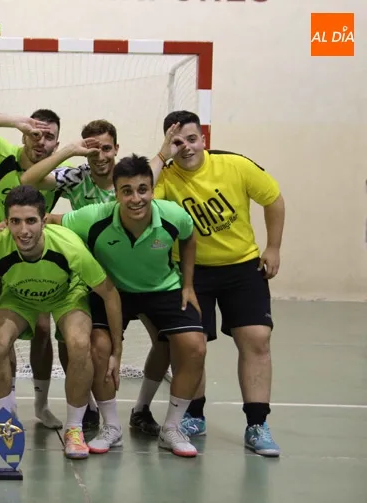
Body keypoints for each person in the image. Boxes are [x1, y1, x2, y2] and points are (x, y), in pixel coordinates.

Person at [142, 110, 285, 457]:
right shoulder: (165, 174)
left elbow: (273, 200)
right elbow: (140, 191)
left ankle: (257, 424)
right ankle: (193, 415)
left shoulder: (235, 165)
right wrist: (163, 154)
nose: (186, 147)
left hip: (242, 267)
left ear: (203, 139)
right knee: (191, 346)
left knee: (257, 339)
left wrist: (274, 247)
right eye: (177, 141)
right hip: (192, 272)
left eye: (192, 139)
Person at [21, 119, 176, 436]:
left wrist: (165, 149)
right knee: (73, 341)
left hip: (135, 277)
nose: (100, 156)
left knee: (165, 340)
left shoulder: (130, 179)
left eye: (106, 148)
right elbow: (29, 179)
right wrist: (69, 152)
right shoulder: (78, 177)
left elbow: (157, 163)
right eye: (92, 150)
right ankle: (88, 406)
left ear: (116, 149)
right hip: (89, 278)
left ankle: (142, 408)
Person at [0, 185, 124, 459]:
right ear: (6, 223)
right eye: (15, 222)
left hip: (66, 295)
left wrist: (117, 351)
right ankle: (6, 425)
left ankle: (74, 429)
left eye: (31, 221)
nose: (23, 230)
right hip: (19, 297)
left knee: (79, 344)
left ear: (44, 221)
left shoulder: (69, 248)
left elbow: (110, 294)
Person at [50, 154, 206, 457]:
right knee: (98, 347)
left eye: (143, 189)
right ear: (116, 193)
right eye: (127, 191)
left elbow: (189, 238)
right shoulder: (94, 217)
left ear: (152, 189)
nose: (136, 198)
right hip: (111, 289)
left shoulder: (174, 215)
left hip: (162, 288)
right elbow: (51, 221)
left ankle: (171, 427)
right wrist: (7, 225)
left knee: (195, 346)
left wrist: (187, 284)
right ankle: (112, 427)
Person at [0, 108, 84, 429]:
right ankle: (8, 410)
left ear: (57, 144)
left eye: (49, 137)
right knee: (0, 340)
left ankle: (41, 406)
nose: (40, 142)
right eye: (34, 133)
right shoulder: (0, 152)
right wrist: (14, 120)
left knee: (43, 329)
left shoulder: (58, 176)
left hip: (32, 263)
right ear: (24, 133)